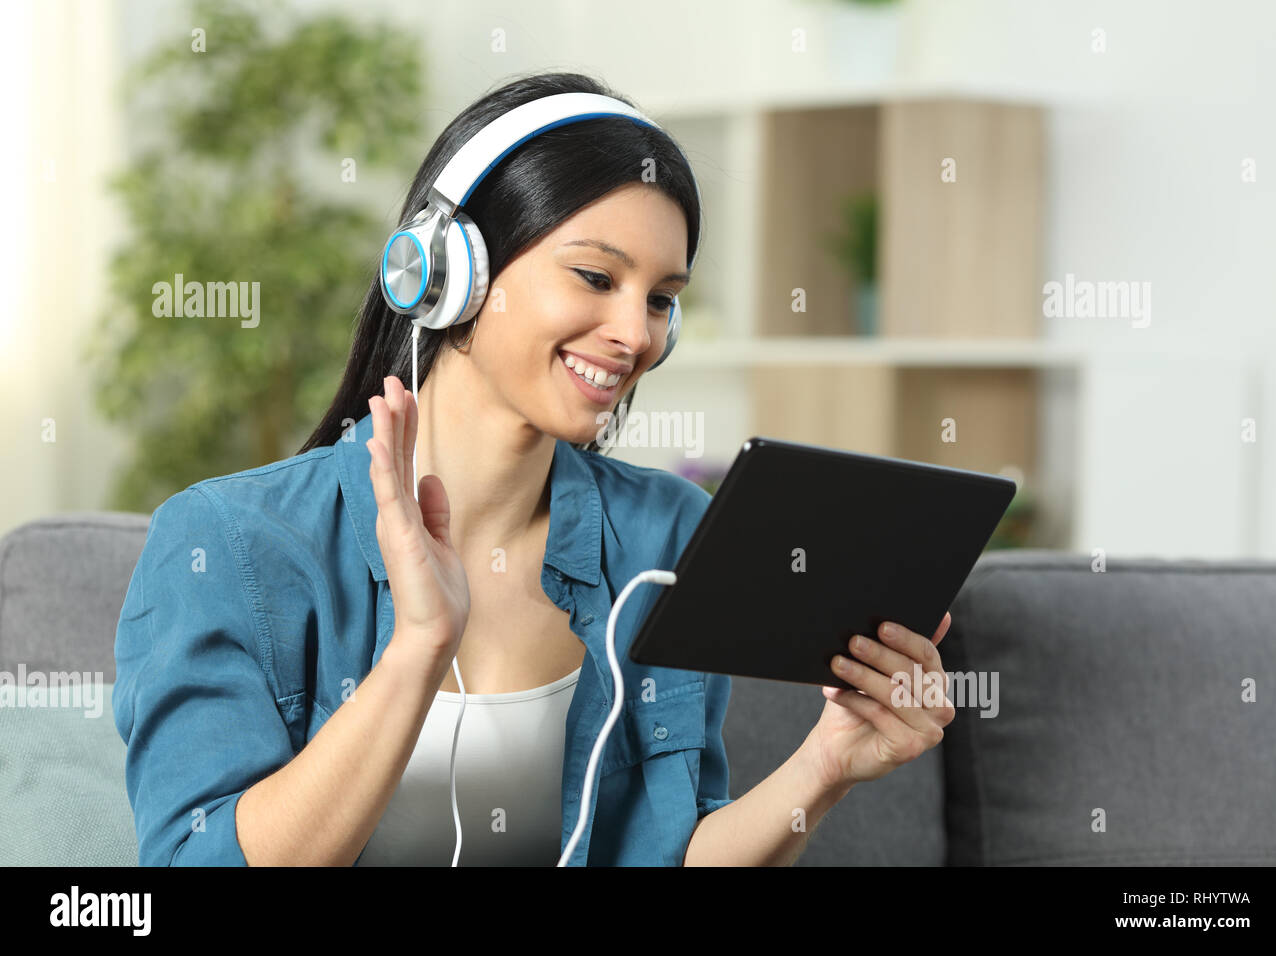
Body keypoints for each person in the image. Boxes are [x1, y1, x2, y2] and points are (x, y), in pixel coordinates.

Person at [113, 70, 955, 867]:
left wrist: (827, 767)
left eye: (661, 298)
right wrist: (418, 647)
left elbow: (665, 853)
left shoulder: (665, 538)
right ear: (448, 273)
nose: (638, 334)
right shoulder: (229, 544)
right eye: (596, 276)